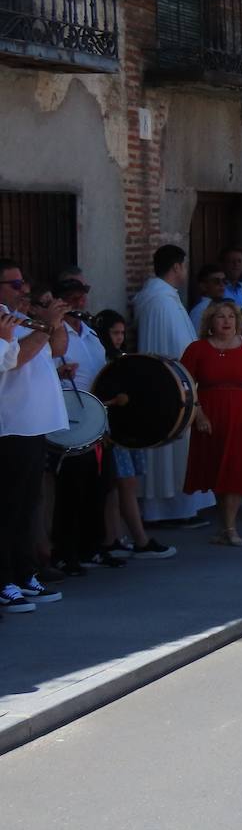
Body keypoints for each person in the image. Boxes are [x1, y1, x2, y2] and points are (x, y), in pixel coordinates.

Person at [0, 260, 67, 611]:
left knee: (27, 508)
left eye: (23, 283)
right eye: (14, 284)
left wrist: (51, 320)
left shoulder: (20, 317)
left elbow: (57, 348)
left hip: (34, 425)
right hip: (11, 426)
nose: (22, 289)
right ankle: (6, 579)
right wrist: (46, 326)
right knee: (8, 509)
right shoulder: (3, 320)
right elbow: (14, 359)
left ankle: (25, 575)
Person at [182, 301, 242, 546]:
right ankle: (224, 526)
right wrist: (198, 414)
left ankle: (230, 528)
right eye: (220, 316)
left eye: (231, 316)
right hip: (210, 415)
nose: (226, 321)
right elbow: (186, 385)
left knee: (235, 468)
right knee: (215, 468)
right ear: (210, 321)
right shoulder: (197, 349)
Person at [133, 245, 212, 524]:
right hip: (171, 388)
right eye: (183, 266)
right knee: (173, 449)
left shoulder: (161, 298)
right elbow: (182, 349)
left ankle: (178, 507)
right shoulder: (162, 302)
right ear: (177, 267)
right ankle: (171, 510)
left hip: (168, 384)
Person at [49, 276, 123, 572]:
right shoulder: (57, 332)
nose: (79, 302)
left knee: (99, 486)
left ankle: (94, 546)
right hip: (72, 418)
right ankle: (68, 552)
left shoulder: (91, 333)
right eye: (73, 297)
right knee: (72, 489)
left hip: (98, 417)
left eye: (82, 297)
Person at [91, 310, 176, 559]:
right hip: (110, 432)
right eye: (114, 333)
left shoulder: (121, 359)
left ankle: (114, 538)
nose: (119, 338)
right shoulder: (100, 358)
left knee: (122, 485)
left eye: (121, 333)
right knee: (122, 483)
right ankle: (139, 539)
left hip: (125, 429)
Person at [188, 263, 226, 329]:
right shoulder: (201, 310)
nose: (222, 285)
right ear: (203, 286)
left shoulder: (216, 306)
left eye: (224, 281)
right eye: (216, 281)